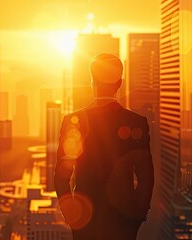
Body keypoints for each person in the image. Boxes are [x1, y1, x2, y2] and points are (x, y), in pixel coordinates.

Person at [54, 53, 154, 240]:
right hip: (124, 221)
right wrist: (138, 217)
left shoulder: (73, 122)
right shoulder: (137, 123)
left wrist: (71, 215)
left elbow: (61, 176)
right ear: (119, 84)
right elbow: (146, 177)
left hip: (85, 219)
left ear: (93, 82)